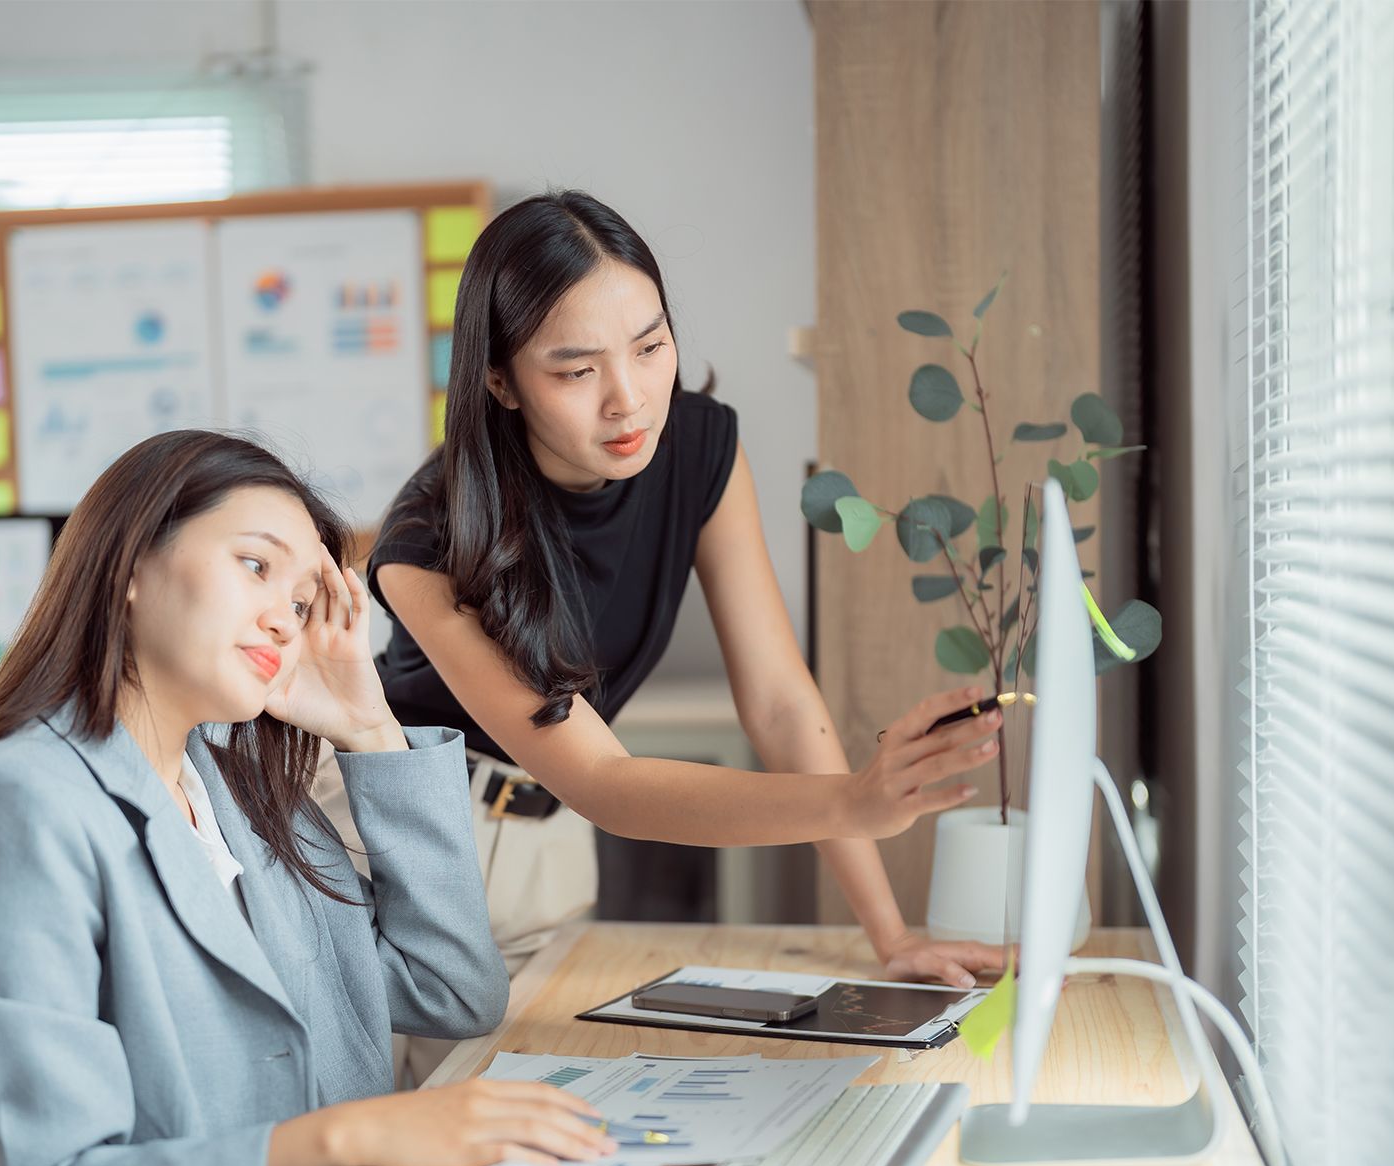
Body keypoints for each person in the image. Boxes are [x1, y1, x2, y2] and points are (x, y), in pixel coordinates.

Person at [0, 430, 615, 1166]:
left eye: (302, 603)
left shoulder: (244, 800)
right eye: (256, 567)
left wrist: (372, 730)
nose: (281, 617)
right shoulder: (13, 808)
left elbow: (454, 991)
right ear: (129, 568)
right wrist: (348, 1135)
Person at [317, 191, 1007, 1082]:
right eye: (575, 371)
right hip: (394, 849)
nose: (629, 398)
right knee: (417, 1137)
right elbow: (603, 779)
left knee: (536, 1108)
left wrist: (893, 932)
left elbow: (780, 700)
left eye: (649, 347)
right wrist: (851, 800)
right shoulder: (426, 542)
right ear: (501, 381)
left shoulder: (697, 446)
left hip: (548, 846)